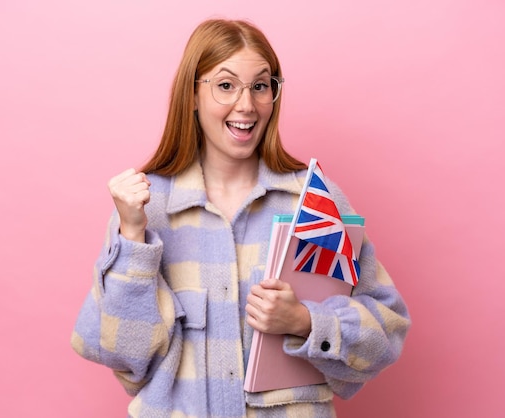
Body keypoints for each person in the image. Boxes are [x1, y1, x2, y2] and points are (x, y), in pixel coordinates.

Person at [71, 18, 410, 417]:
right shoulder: (148, 209)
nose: (246, 105)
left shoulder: (312, 203)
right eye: (226, 85)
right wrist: (132, 236)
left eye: (260, 86)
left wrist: (304, 321)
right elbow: (123, 355)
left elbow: (387, 331)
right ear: (192, 95)